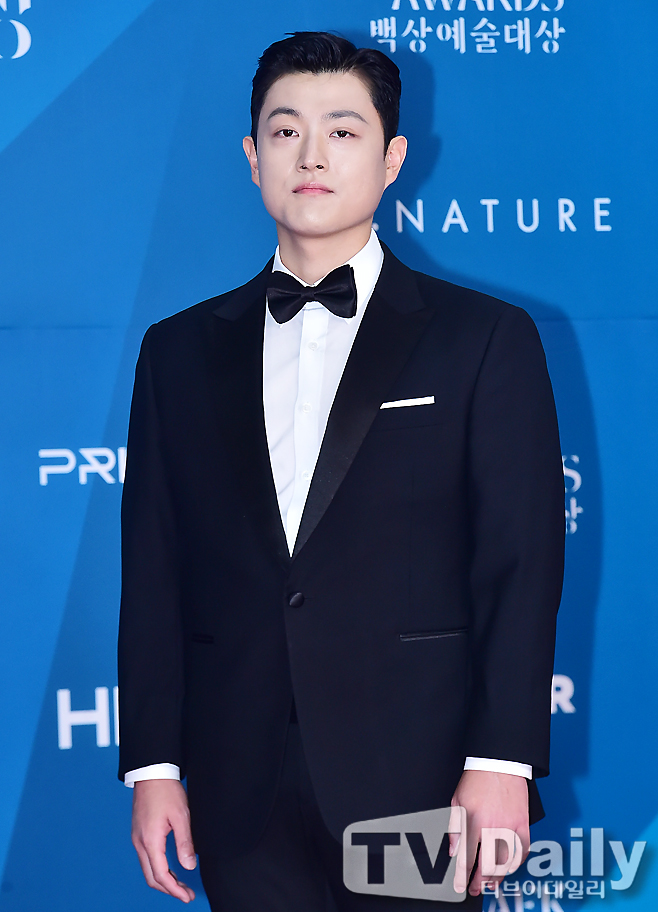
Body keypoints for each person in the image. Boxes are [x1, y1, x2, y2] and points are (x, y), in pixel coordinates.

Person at [118, 31, 564, 912]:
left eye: (343, 132)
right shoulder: (177, 351)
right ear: (253, 157)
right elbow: (155, 568)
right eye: (285, 131)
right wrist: (154, 765)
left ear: (392, 160)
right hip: (237, 781)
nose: (312, 156)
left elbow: (519, 564)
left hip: (420, 774)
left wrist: (502, 759)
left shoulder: (482, 338)